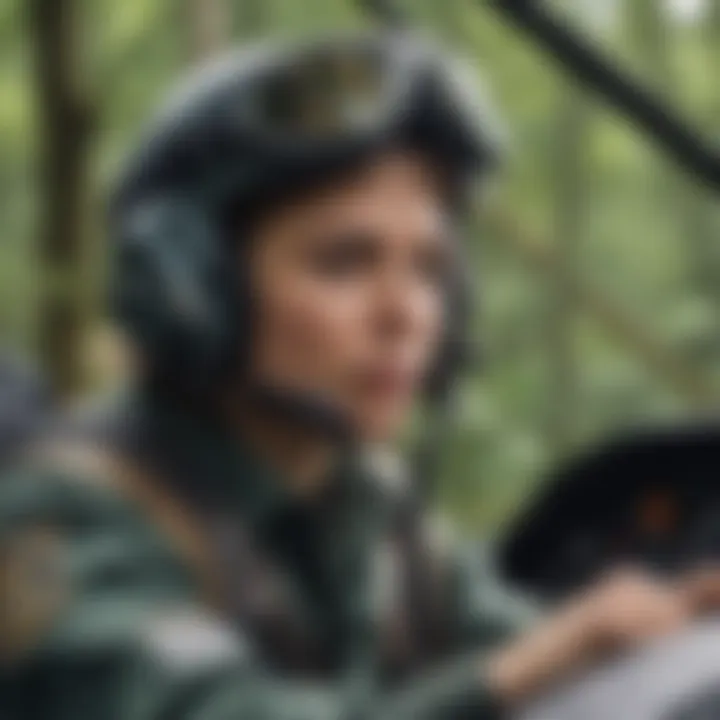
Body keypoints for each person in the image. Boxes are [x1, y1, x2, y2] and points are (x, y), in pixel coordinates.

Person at [1, 31, 719, 720]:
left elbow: (554, 661)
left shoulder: (371, 513)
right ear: (192, 291)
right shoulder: (62, 519)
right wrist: (514, 674)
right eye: (344, 261)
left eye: (431, 269)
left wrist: (658, 633)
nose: (405, 314)